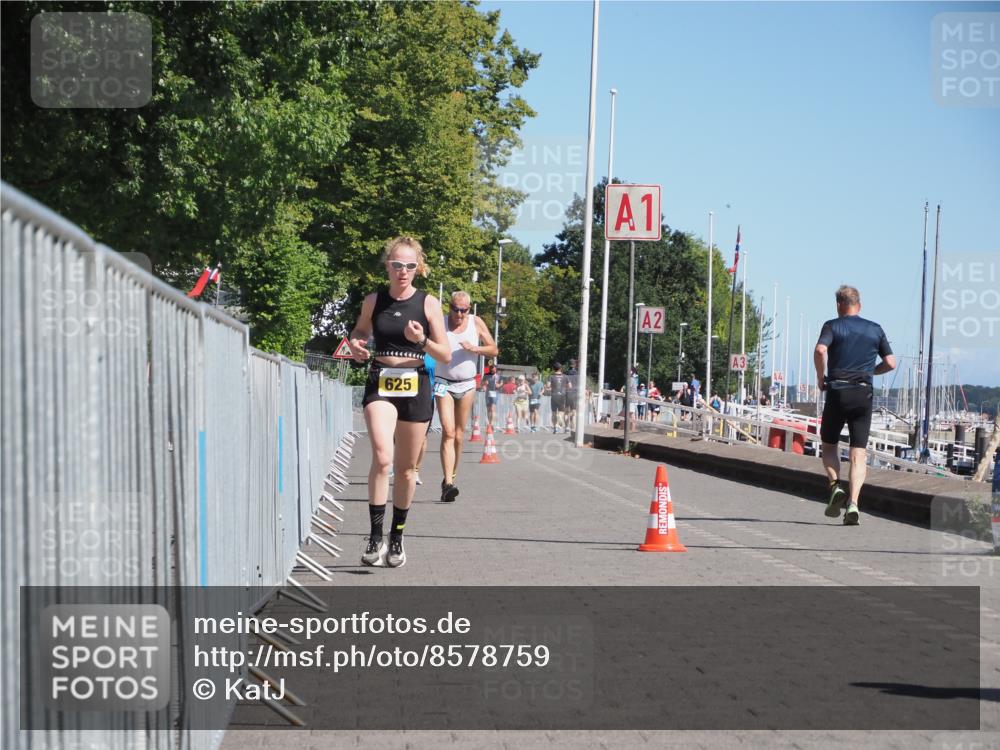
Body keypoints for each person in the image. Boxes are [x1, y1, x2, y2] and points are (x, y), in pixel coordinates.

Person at [348, 236, 450, 568]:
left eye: (409, 265)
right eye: (396, 264)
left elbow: (445, 353)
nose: (402, 271)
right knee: (381, 456)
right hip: (381, 381)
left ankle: (397, 536)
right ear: (387, 266)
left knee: (406, 471)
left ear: (417, 268)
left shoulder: (429, 303)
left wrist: (421, 339)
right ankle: (375, 537)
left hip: (416, 384)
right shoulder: (373, 301)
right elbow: (359, 333)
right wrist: (357, 346)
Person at [814, 285, 896, 526]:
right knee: (858, 452)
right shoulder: (875, 329)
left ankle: (834, 486)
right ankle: (854, 503)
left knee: (829, 446)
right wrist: (871, 371)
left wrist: (821, 377)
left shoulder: (832, 325)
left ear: (839, 305)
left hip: (838, 391)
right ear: (859, 305)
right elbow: (891, 363)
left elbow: (820, 350)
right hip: (863, 394)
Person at [435, 291, 497, 502]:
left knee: (460, 436)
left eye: (464, 310)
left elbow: (494, 349)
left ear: (469, 309)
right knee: (448, 432)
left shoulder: (476, 322)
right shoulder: (440, 323)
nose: (459, 314)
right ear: (449, 307)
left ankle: (451, 476)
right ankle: (448, 484)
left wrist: (476, 348)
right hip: (443, 383)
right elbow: (425, 343)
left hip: (468, 384)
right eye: (455, 309)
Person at [412, 351, 437, 486]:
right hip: (404, 395)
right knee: (399, 436)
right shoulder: (408, 349)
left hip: (427, 398)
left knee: (422, 437)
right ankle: (399, 464)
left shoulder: (435, 353)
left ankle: (415, 470)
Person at [546, 362, 569, 433]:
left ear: (553, 369)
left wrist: (550, 387)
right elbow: (570, 386)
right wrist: (565, 389)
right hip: (562, 396)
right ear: (561, 368)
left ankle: (555, 427)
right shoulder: (565, 376)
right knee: (562, 412)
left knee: (553, 412)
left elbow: (548, 385)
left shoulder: (551, 376)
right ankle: (560, 417)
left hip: (554, 396)